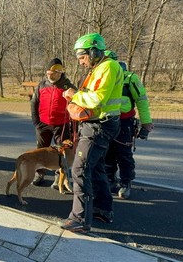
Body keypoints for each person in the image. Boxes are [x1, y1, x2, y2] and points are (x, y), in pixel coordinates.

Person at [58, 33, 123, 232]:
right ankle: (102, 209)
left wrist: (73, 95)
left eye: (82, 56)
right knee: (95, 168)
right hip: (98, 124)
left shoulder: (108, 67)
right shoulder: (100, 68)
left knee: (79, 169)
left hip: (99, 126)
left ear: (94, 51)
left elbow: (97, 99)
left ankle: (79, 219)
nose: (81, 62)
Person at [103, 50, 153, 199]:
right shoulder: (101, 78)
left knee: (123, 154)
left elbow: (142, 100)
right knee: (107, 153)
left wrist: (146, 123)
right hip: (106, 120)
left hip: (124, 122)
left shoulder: (130, 78)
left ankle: (126, 183)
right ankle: (110, 179)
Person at [30, 58, 77, 189]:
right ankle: (39, 173)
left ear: (60, 73)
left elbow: (76, 105)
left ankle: (59, 177)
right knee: (40, 150)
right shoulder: (42, 85)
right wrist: (36, 121)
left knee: (61, 152)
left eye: (53, 73)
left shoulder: (68, 87)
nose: (50, 76)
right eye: (48, 73)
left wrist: (72, 124)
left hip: (61, 125)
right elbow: (34, 103)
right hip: (43, 124)